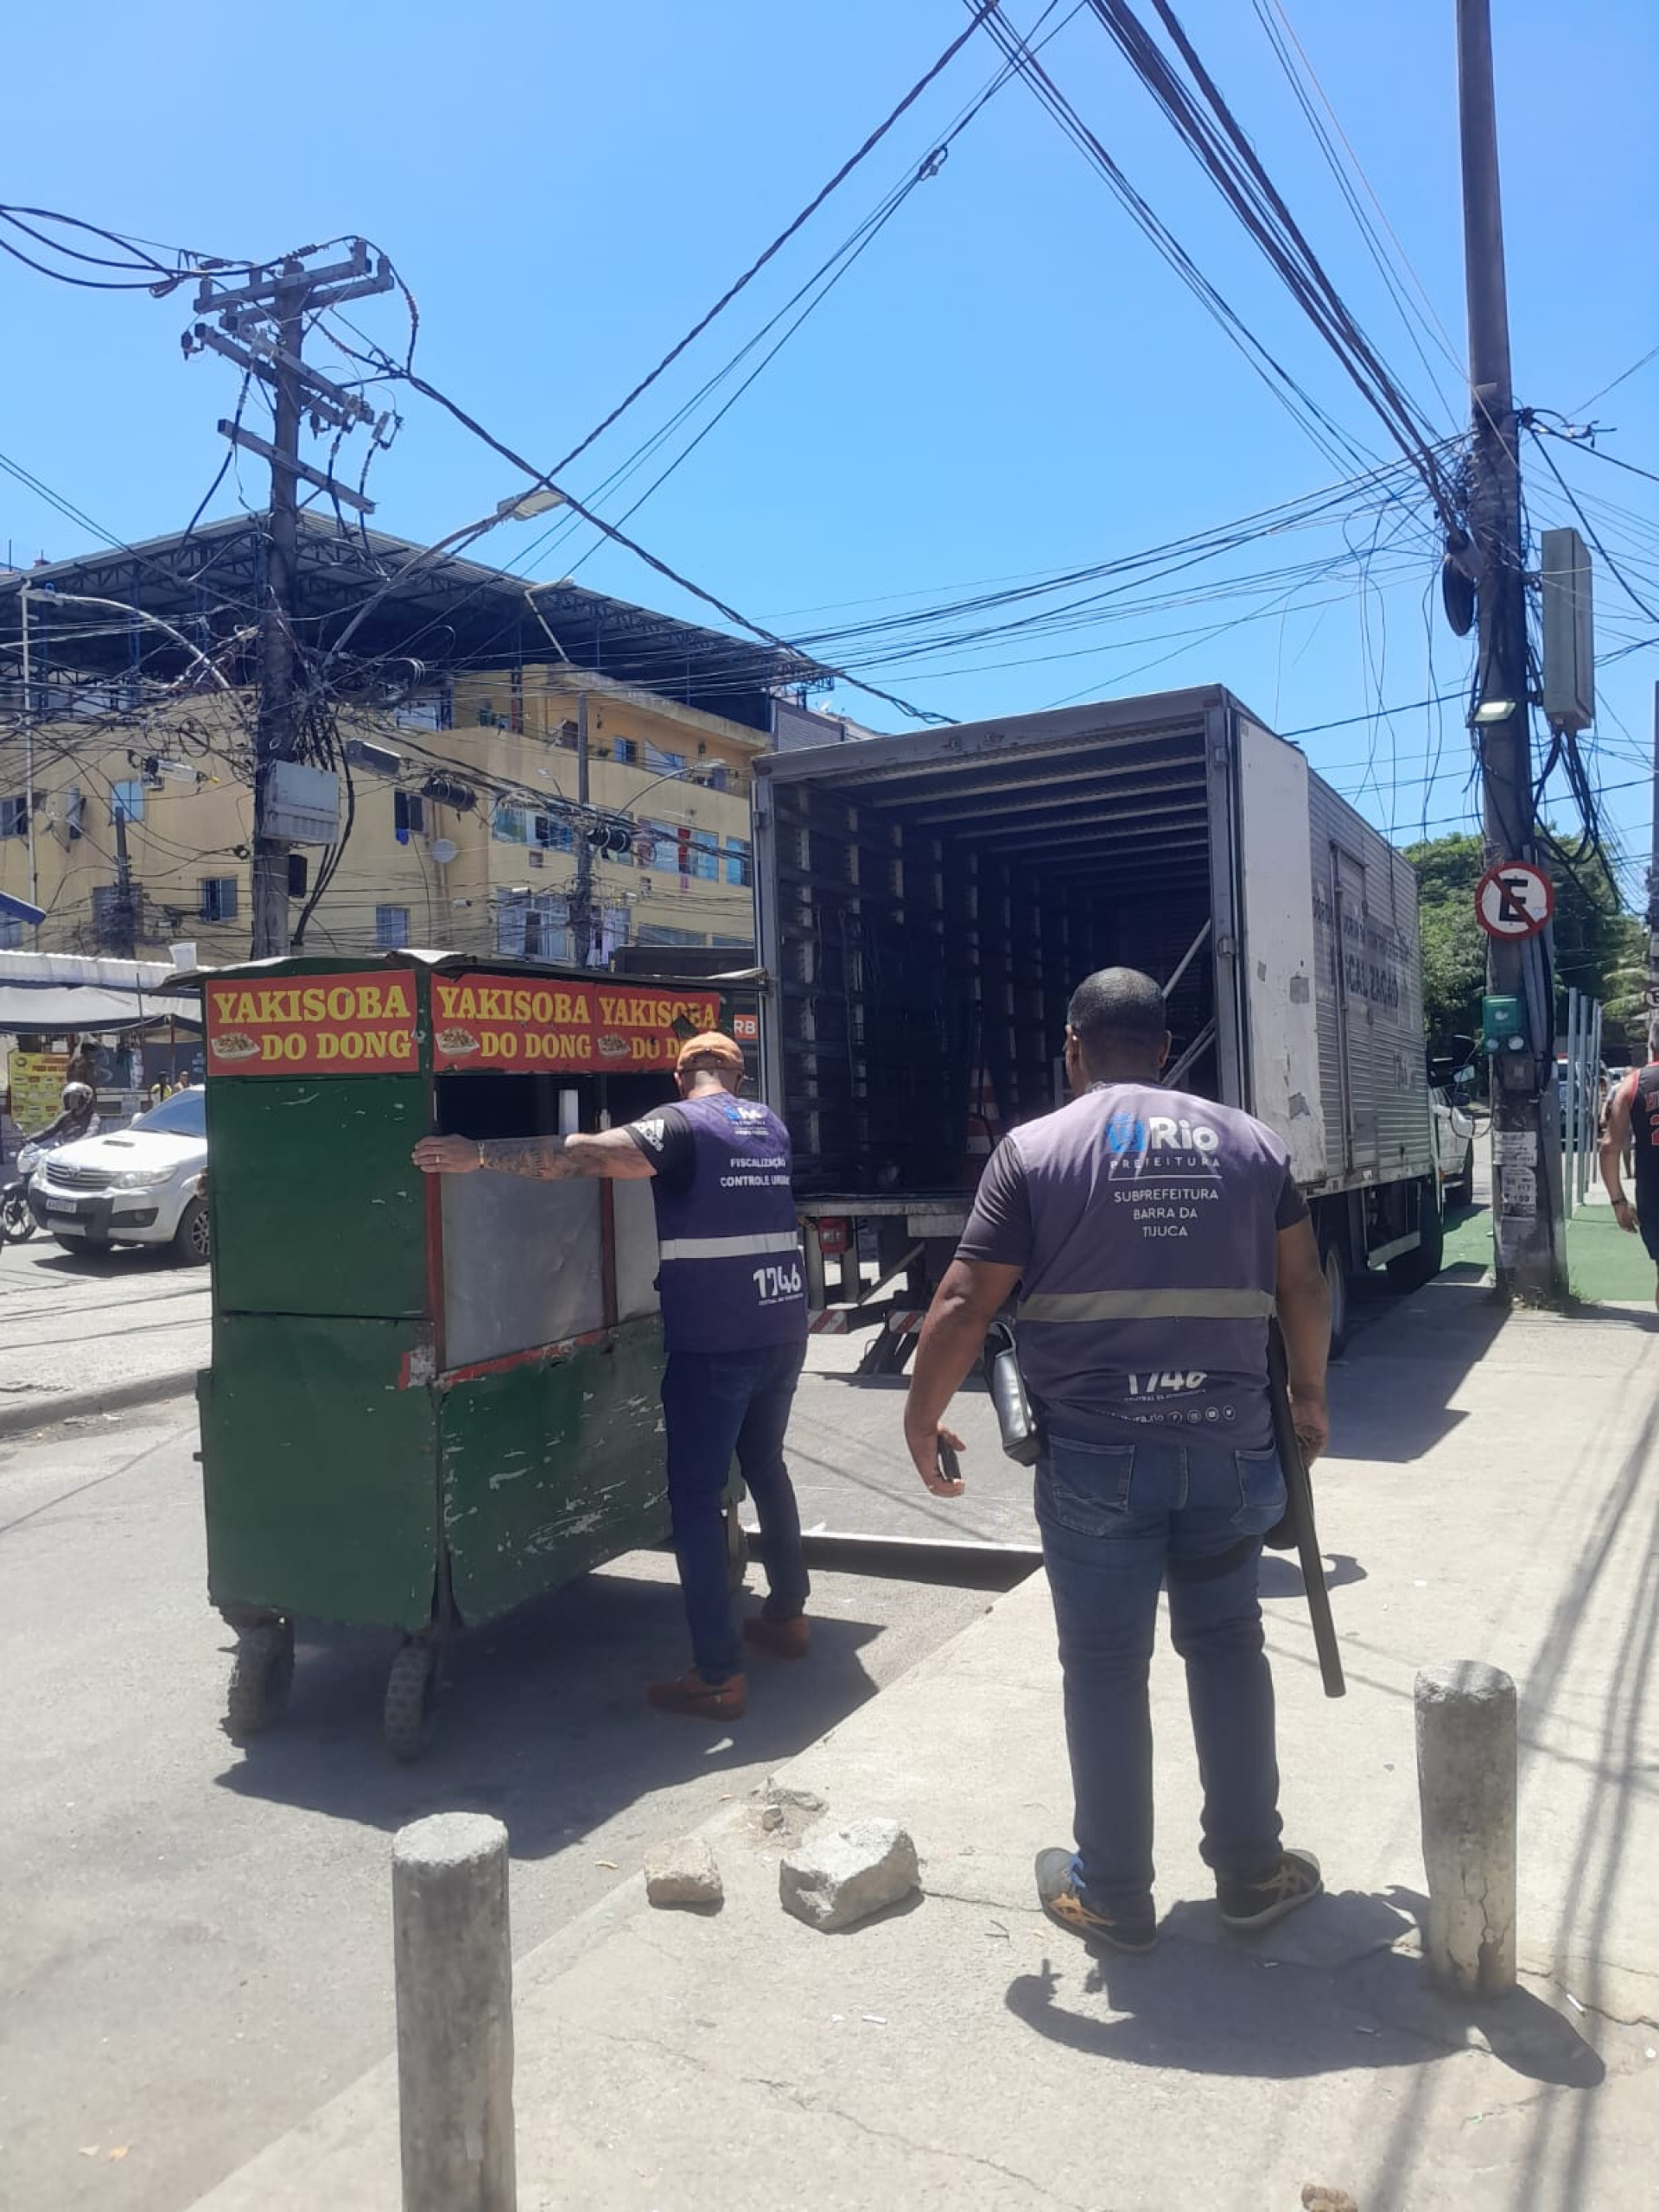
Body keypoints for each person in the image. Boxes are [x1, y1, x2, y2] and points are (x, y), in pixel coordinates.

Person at [903, 967, 1333, 1954]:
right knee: (1228, 1650)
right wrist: (1308, 1397)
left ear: (1074, 1048)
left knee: (1103, 1667)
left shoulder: (1035, 1150)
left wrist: (922, 1416)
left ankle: (1115, 1895)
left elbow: (966, 1302)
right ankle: (1252, 1873)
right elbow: (1301, 1283)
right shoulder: (1251, 1142)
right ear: (1167, 1044)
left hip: (1098, 1459)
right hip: (1233, 1450)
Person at [412, 1032, 810, 1720]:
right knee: (766, 1465)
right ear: (739, 1078)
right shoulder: (768, 1124)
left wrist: (477, 1155)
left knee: (693, 1498)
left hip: (715, 1342)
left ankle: (718, 1675)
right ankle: (789, 1615)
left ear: (681, 1076)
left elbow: (590, 1155)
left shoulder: (682, 1123)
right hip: (781, 1325)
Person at [1599, 1016, 1659, 1308]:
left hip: (1653, 1193)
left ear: (1651, 1044)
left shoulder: (1631, 1086)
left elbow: (1609, 1147)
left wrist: (1618, 1201)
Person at [30, 1081, 99, 1150]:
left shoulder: (93, 1117)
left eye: (74, 1098)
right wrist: (28, 1140)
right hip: (63, 1149)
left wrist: (74, 1145)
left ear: (84, 1099)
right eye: (69, 1098)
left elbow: (91, 1133)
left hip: (81, 1151)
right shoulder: (65, 1115)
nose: (70, 1101)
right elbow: (48, 1132)